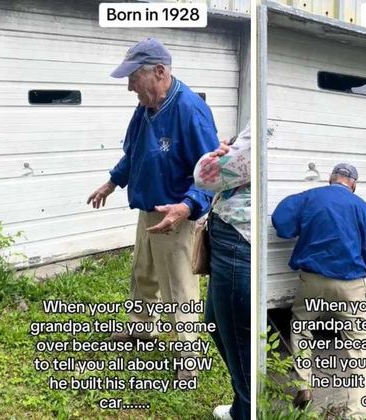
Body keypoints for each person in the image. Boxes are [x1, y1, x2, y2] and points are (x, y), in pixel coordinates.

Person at [86, 38, 219, 380]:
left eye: (134, 77)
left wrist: (188, 207)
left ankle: (189, 354)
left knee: (179, 287)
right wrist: (112, 183)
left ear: (159, 72)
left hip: (176, 216)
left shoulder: (191, 111)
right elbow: (134, 154)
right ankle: (142, 328)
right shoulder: (144, 109)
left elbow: (212, 174)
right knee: (143, 275)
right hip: (148, 209)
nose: (130, 87)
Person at [271, 164, 366, 420]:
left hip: (312, 280)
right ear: (353, 184)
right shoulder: (361, 207)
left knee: (302, 328)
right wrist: (365, 268)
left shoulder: (309, 197)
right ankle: (355, 413)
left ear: (331, 179)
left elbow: (282, 223)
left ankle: (303, 386)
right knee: (359, 346)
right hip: (349, 285)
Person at [193, 122, 251, 420]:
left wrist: (213, 155)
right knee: (215, 321)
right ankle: (242, 405)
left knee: (239, 341)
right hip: (230, 237)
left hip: (239, 242)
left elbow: (206, 175)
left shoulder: (269, 123)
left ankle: (248, 410)